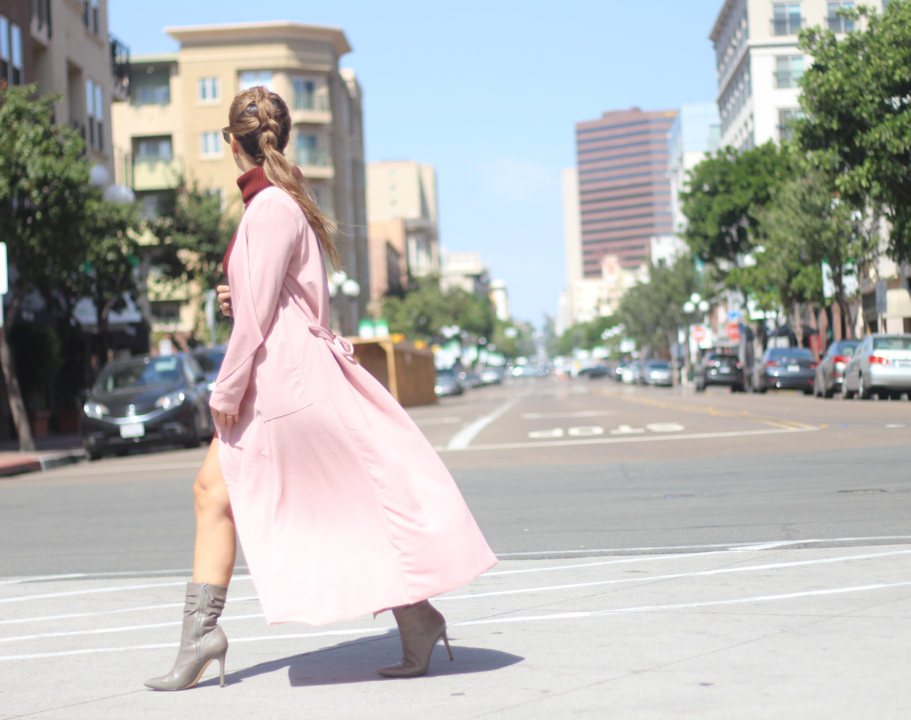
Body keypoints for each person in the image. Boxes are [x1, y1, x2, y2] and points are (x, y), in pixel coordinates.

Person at [144, 87, 497, 691]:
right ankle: (414, 617)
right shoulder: (280, 203)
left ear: (233, 143)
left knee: (266, 495)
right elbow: (272, 299)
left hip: (281, 383)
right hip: (292, 377)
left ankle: (204, 637)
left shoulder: (269, 207)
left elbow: (260, 317)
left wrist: (224, 390)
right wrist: (238, 297)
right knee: (258, 494)